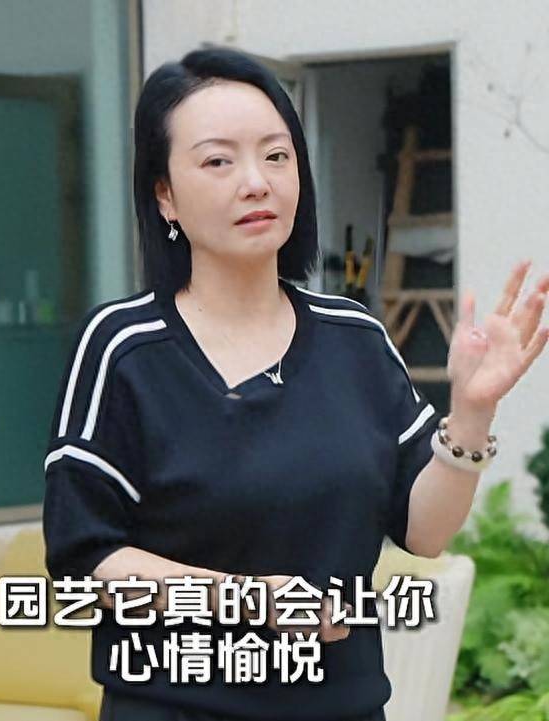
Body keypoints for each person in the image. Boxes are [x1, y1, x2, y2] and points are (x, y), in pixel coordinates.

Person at [42, 46, 549, 721]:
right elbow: (84, 557)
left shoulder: (354, 337)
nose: (257, 182)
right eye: (218, 161)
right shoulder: (123, 347)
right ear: (164, 194)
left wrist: (472, 411)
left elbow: (423, 531)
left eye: (276, 156)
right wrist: (252, 601)